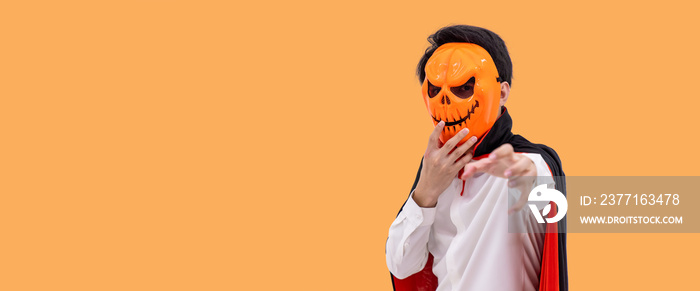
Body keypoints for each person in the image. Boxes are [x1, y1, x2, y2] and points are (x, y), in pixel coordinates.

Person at [385, 25, 568, 291]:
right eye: (435, 89)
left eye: (464, 87)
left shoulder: (526, 165)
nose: (446, 101)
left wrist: (524, 177)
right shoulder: (435, 168)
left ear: (502, 93)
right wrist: (425, 194)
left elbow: (545, 202)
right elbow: (402, 266)